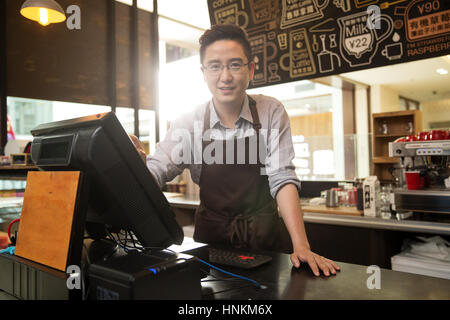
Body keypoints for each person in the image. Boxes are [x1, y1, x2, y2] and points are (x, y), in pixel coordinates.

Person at [131, 24, 340, 276]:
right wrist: (134, 169)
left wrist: (302, 245)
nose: (225, 76)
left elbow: (282, 178)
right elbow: (157, 169)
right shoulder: (188, 122)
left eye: (235, 64)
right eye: (215, 66)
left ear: (250, 69)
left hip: (266, 243)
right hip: (210, 247)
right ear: (204, 72)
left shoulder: (270, 111)